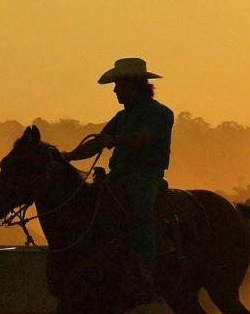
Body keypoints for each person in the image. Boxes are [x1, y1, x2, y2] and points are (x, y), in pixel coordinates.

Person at [62, 58, 174, 275]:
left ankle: (146, 268)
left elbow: (144, 138)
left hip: (145, 175)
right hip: (119, 173)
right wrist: (68, 157)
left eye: (118, 85)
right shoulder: (122, 116)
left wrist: (114, 140)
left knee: (141, 214)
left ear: (133, 84)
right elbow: (97, 143)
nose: (115, 90)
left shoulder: (160, 112)